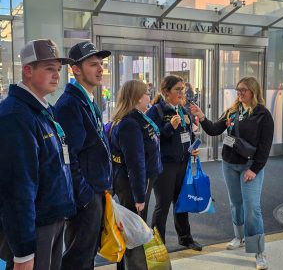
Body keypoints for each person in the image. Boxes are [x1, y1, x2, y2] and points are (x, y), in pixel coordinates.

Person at [0, 39, 76, 270]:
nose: (56, 76)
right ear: (28, 70)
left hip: (52, 218)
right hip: (36, 226)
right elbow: (17, 187)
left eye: (58, 70)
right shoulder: (16, 116)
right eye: (49, 69)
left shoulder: (42, 110)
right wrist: (23, 252)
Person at [190, 77, 274, 270]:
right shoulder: (233, 111)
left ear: (253, 91)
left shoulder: (263, 114)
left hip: (250, 166)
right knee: (235, 203)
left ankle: (259, 251)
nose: (239, 93)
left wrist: (254, 169)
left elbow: (265, 146)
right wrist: (202, 117)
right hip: (229, 164)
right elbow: (213, 130)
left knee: (252, 207)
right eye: (238, 90)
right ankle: (239, 236)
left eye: (243, 90)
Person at [54, 41, 113, 270]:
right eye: (92, 64)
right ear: (75, 69)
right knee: (78, 257)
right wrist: (86, 196)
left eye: (101, 64)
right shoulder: (70, 104)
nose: (100, 69)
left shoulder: (87, 100)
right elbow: (69, 158)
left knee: (88, 254)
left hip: (96, 190)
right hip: (86, 197)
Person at [108, 80, 162, 270]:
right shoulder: (130, 123)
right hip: (133, 183)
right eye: (147, 93)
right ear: (137, 98)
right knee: (133, 229)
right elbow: (135, 162)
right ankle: (134, 266)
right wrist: (139, 196)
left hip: (130, 180)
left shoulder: (134, 118)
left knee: (128, 227)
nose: (150, 97)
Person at [146, 75, 202, 251]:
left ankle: (185, 238)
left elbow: (189, 136)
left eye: (182, 89)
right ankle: (157, 244)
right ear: (165, 91)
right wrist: (170, 126)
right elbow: (151, 140)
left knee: (181, 202)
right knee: (162, 206)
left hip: (182, 163)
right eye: (177, 89)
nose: (181, 92)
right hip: (164, 165)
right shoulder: (155, 112)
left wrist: (192, 148)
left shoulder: (183, 110)